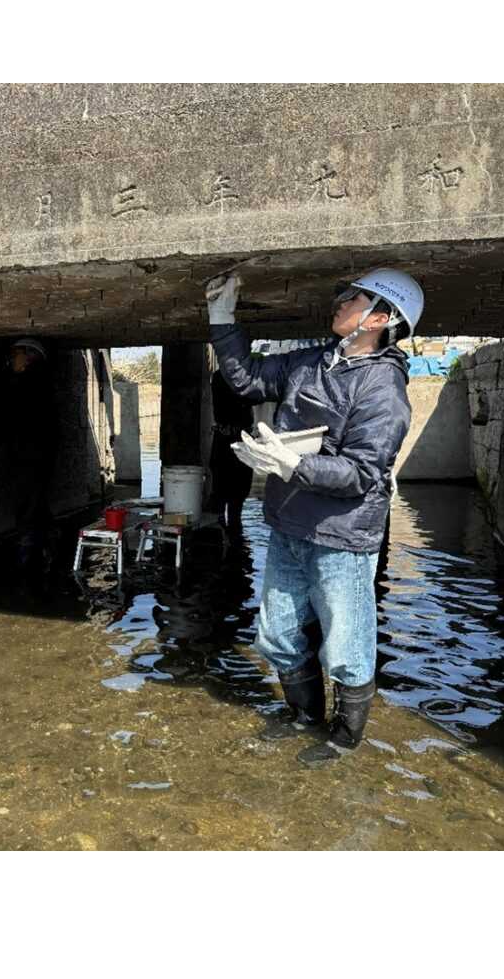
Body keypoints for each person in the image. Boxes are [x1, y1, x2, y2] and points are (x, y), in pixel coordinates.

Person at [205, 268, 424, 763]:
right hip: (289, 522)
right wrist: (222, 316)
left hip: (342, 535)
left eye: (355, 298)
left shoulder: (383, 388)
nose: (341, 302)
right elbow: (247, 378)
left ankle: (345, 736)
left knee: (345, 645)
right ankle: (304, 716)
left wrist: (293, 464)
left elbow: (363, 473)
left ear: (379, 318)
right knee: (276, 633)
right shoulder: (315, 361)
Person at [1, 338, 59, 585]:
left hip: (32, 455)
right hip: (33, 455)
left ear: (29, 357)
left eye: (15, 355)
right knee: (35, 503)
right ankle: (45, 550)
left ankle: (27, 559)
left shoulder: (32, 383)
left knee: (29, 504)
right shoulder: (34, 382)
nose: (11, 359)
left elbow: (19, 411)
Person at [207, 368, 255, 530]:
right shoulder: (239, 376)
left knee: (227, 496)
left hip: (233, 439)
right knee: (230, 497)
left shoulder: (221, 376)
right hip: (234, 440)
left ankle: (223, 531)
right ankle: (231, 534)